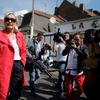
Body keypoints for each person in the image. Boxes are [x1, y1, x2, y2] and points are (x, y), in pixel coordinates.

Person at [0, 12, 26, 100]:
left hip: (18, 65)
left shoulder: (20, 35)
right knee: (3, 91)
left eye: (12, 20)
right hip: (3, 66)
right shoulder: (0, 35)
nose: (10, 21)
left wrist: (22, 63)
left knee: (17, 91)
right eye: (7, 19)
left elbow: (23, 51)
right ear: (4, 22)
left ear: (15, 22)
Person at [63, 33, 88, 100]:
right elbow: (63, 53)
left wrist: (76, 48)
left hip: (78, 71)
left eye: (77, 39)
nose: (75, 41)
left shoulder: (84, 47)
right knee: (68, 89)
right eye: (74, 39)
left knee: (81, 88)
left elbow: (84, 56)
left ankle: (75, 98)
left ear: (81, 39)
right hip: (68, 70)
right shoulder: (70, 46)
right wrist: (67, 46)